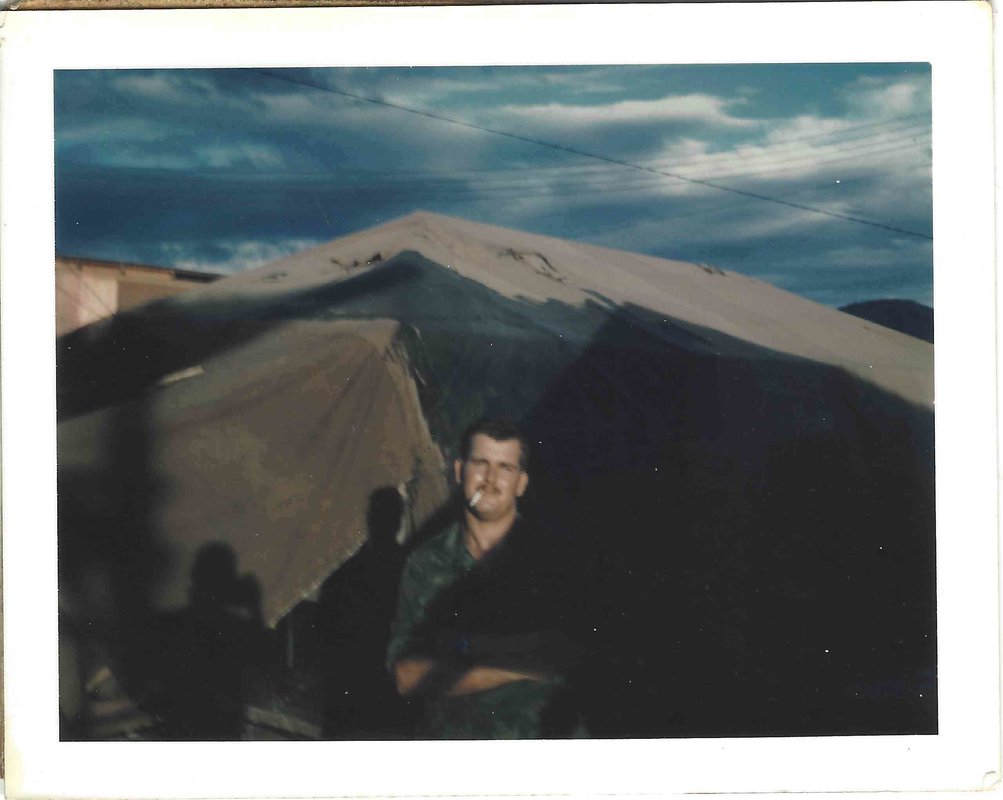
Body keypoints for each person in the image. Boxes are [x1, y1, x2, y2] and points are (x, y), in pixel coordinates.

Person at [386, 417, 582, 739]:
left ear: (521, 483)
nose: (490, 479)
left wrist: (457, 653)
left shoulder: (554, 563)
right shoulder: (425, 563)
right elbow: (406, 677)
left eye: (505, 468)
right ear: (459, 471)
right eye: (480, 463)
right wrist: (517, 664)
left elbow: (568, 655)